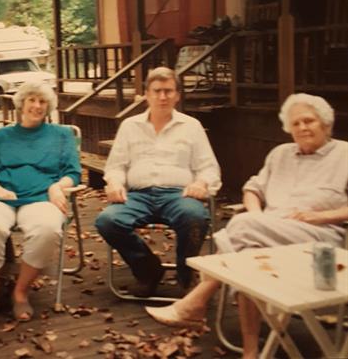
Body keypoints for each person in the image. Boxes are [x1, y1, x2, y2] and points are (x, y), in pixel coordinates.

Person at [146, 93, 348, 359]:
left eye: (308, 121)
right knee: (247, 251)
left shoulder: (344, 154)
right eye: (295, 123)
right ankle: (251, 351)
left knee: (244, 231)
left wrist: (320, 217)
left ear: (326, 123)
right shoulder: (280, 154)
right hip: (265, 232)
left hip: (318, 240)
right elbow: (252, 189)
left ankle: (196, 302)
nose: (302, 127)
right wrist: (257, 217)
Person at [95, 67, 221, 296]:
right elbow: (116, 166)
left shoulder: (191, 126)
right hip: (138, 196)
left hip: (179, 195)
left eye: (168, 91)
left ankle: (186, 274)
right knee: (108, 221)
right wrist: (114, 183)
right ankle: (148, 270)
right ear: (146, 94)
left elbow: (209, 167)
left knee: (194, 217)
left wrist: (202, 183)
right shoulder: (130, 126)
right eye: (157, 91)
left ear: (177, 95)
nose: (163, 97)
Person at [0, 81, 81, 321]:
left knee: (48, 228)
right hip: (0, 196)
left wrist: (57, 187)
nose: (37, 106)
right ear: (21, 103)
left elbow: (73, 173)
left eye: (42, 101)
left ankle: (20, 292)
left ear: (48, 106)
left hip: (41, 197)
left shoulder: (62, 135)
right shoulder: (0, 136)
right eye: (32, 100)